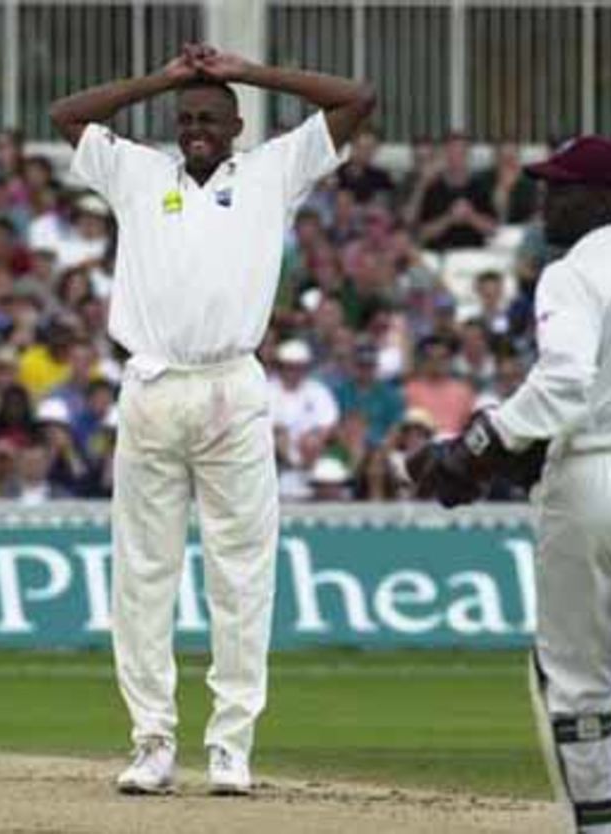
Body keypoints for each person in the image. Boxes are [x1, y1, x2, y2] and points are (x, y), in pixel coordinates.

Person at [49, 42, 374, 796]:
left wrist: (246, 73)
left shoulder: (271, 171)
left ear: (235, 126)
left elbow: (355, 98)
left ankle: (231, 744)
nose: (196, 128)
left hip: (232, 384)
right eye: (185, 117)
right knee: (143, 575)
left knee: (241, 575)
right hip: (152, 384)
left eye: (210, 118)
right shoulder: (136, 171)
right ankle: (153, 741)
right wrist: (161, 82)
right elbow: (66, 115)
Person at [407, 136, 611, 834]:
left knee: (579, 682)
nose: (544, 198)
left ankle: (603, 827)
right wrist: (506, 454)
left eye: (561, 187)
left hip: (593, 481)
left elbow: (565, 388)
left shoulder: (571, 274)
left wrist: (477, 446)